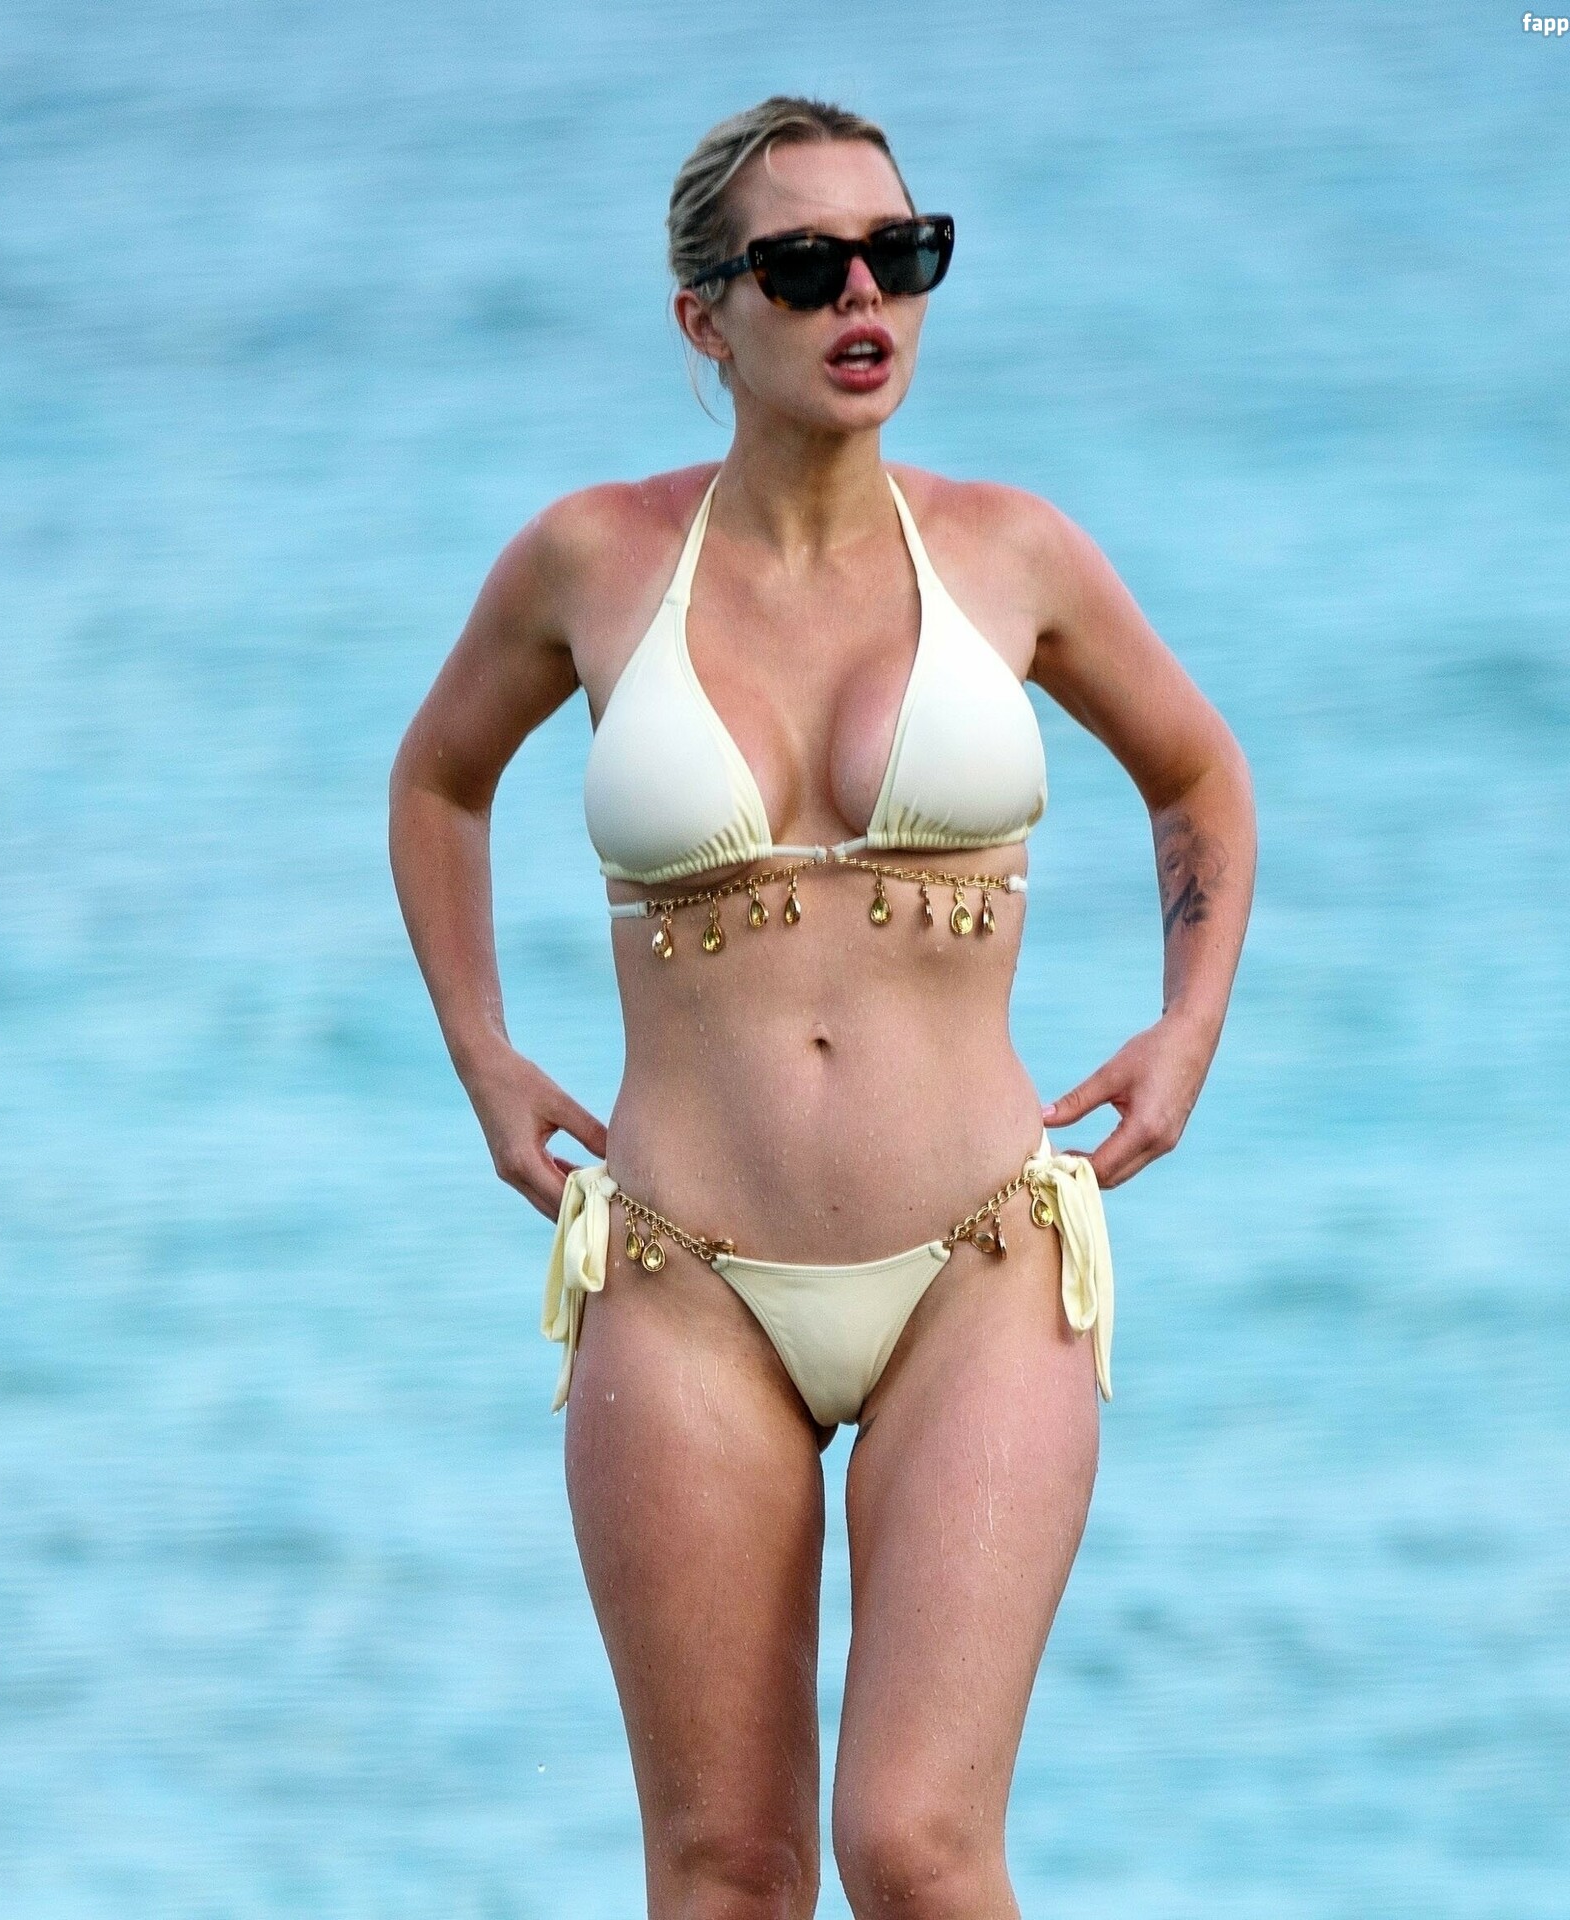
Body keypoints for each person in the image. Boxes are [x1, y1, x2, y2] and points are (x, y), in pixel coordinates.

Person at [389, 94, 1255, 1920]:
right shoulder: (588, 563)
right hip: (683, 1281)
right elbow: (439, 781)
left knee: (916, 1853)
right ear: (705, 315)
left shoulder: (1014, 554)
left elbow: (1198, 776)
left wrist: (1188, 1029)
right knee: (726, 1872)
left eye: (902, 254)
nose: (866, 296)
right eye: (806, 267)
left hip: (981, 1268)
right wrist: (483, 1056)